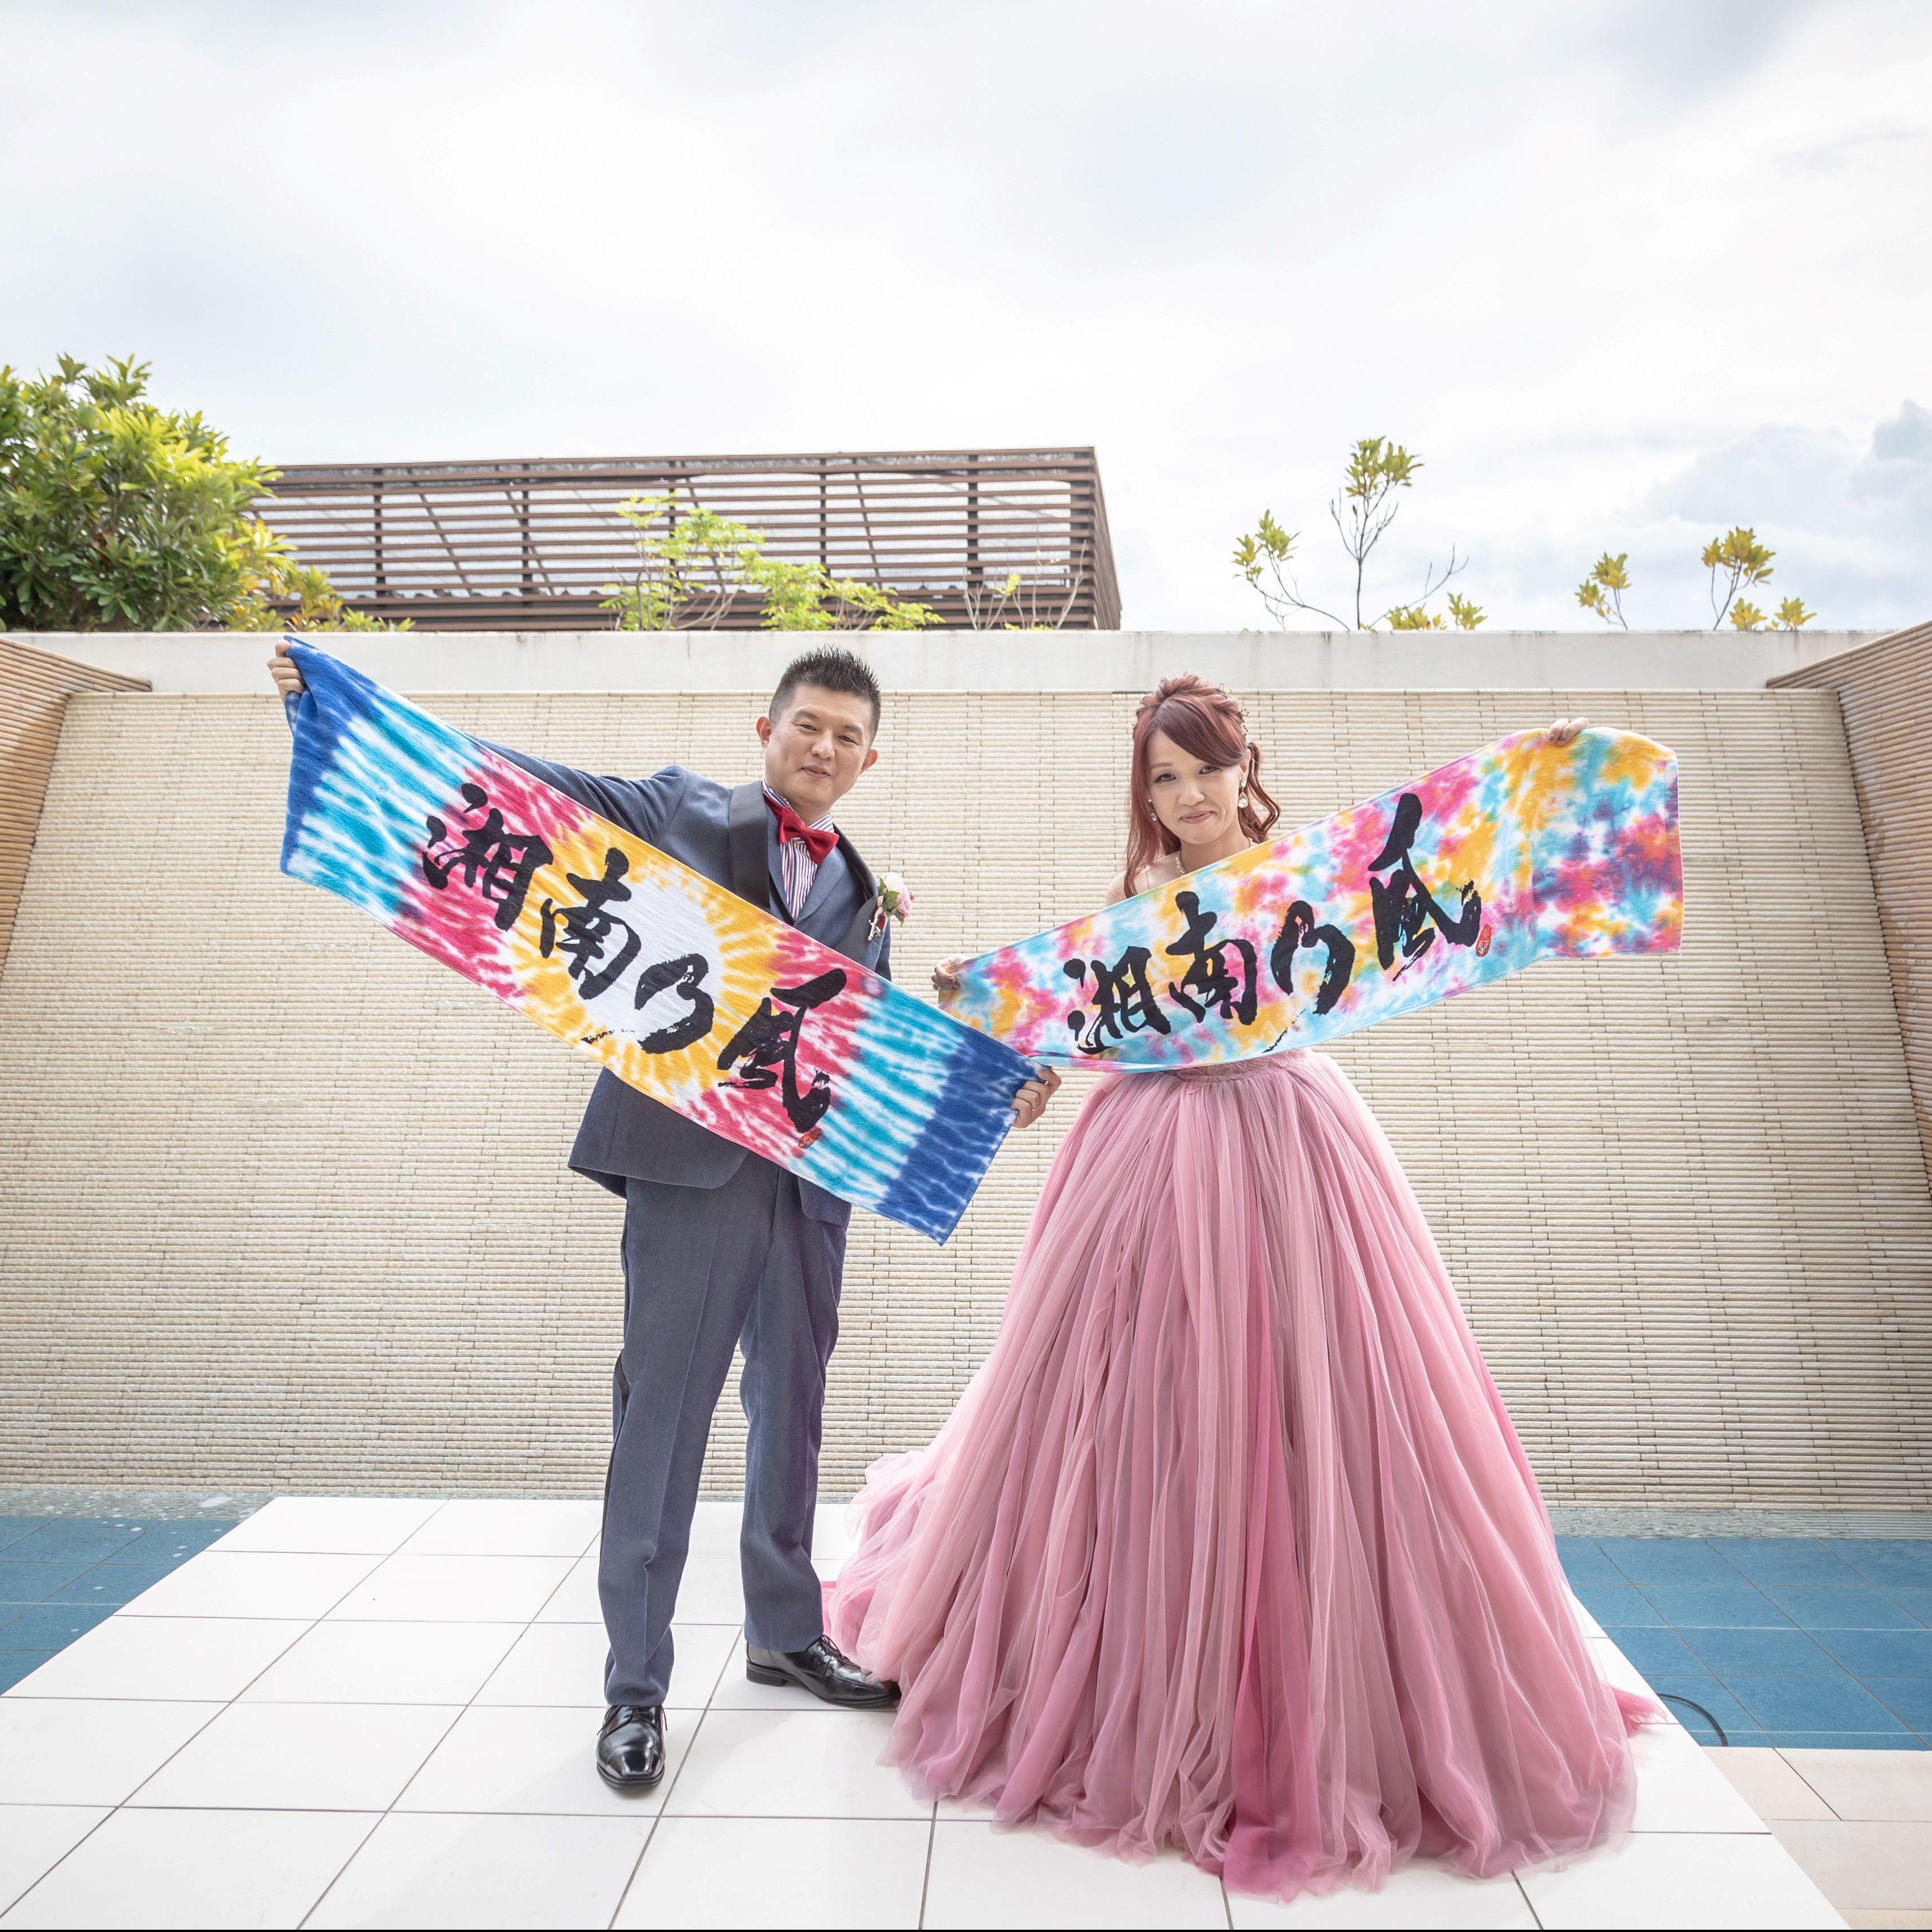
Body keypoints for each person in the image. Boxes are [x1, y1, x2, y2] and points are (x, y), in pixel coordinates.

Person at [827, 674, 1654, 1902]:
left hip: (1288, 1140)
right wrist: (997, 1021)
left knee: (1321, 1396)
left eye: (1203, 770)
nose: (1186, 796)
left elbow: (1444, 864)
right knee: (1137, 1398)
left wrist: (1537, 774)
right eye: (1162, 779)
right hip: (1149, 1152)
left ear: (1241, 767)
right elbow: (1093, 1019)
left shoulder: (1302, 877)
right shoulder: (1142, 898)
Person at [267, 637, 1058, 1792]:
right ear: (767, 730)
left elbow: (865, 1046)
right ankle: (635, 1685)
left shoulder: (864, 889)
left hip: (809, 1188)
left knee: (793, 1407)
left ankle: (784, 1633)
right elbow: (524, 792)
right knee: (665, 1418)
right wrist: (356, 711)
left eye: (846, 736)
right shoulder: (678, 810)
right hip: (688, 1172)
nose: (824, 747)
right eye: (807, 724)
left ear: (869, 760)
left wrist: (998, 1088)